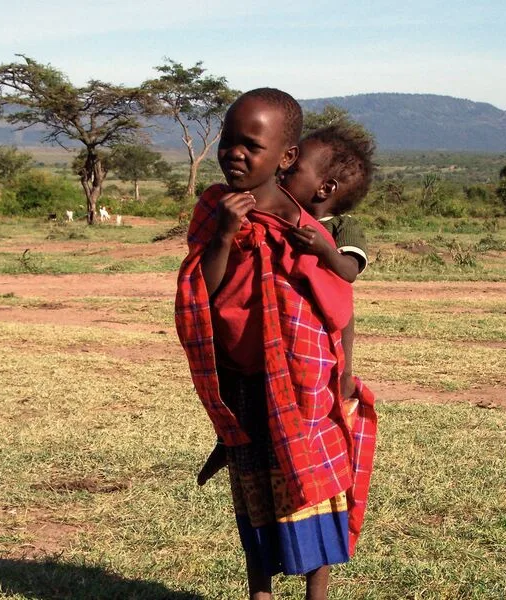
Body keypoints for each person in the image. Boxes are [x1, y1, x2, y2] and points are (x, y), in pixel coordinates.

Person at [175, 88, 376, 600]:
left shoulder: (303, 228)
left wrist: (344, 377)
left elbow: (338, 305)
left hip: (304, 384)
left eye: (252, 145)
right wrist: (225, 235)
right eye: (228, 140)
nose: (234, 153)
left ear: (285, 157)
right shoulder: (215, 209)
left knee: (314, 489)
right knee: (254, 495)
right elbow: (202, 290)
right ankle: (258, 593)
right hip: (244, 382)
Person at [281, 124, 375, 401]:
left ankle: (344, 377)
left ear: (325, 188)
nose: (281, 172)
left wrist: (324, 249)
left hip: (328, 320)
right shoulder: (282, 218)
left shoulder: (341, 227)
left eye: (293, 170)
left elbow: (349, 271)